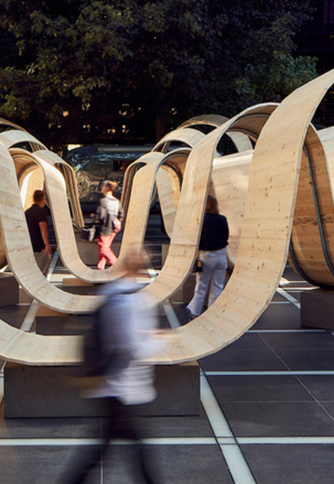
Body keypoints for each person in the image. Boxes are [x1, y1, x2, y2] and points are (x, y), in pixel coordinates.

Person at [60, 248, 164, 484]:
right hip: (121, 387)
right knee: (129, 449)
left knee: (105, 447)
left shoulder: (110, 292)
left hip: (108, 384)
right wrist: (160, 339)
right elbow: (134, 347)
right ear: (142, 271)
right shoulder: (135, 302)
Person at [187, 194, 229, 318]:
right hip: (221, 255)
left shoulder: (202, 219)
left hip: (207, 255)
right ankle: (212, 314)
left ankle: (195, 312)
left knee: (201, 286)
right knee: (217, 286)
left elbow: (198, 239)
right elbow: (226, 236)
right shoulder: (222, 219)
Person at [94, 180, 123, 269]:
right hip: (115, 226)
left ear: (107, 188)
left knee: (104, 248)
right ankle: (100, 267)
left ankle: (117, 265)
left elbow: (101, 216)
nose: (101, 188)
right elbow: (121, 213)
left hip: (105, 227)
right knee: (105, 246)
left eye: (102, 186)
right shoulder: (116, 201)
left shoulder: (103, 201)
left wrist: (94, 216)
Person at [24, 188, 52, 271]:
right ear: (43, 199)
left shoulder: (27, 212)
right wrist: (47, 244)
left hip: (29, 246)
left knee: (32, 270)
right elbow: (43, 229)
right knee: (42, 270)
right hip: (39, 247)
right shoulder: (41, 212)